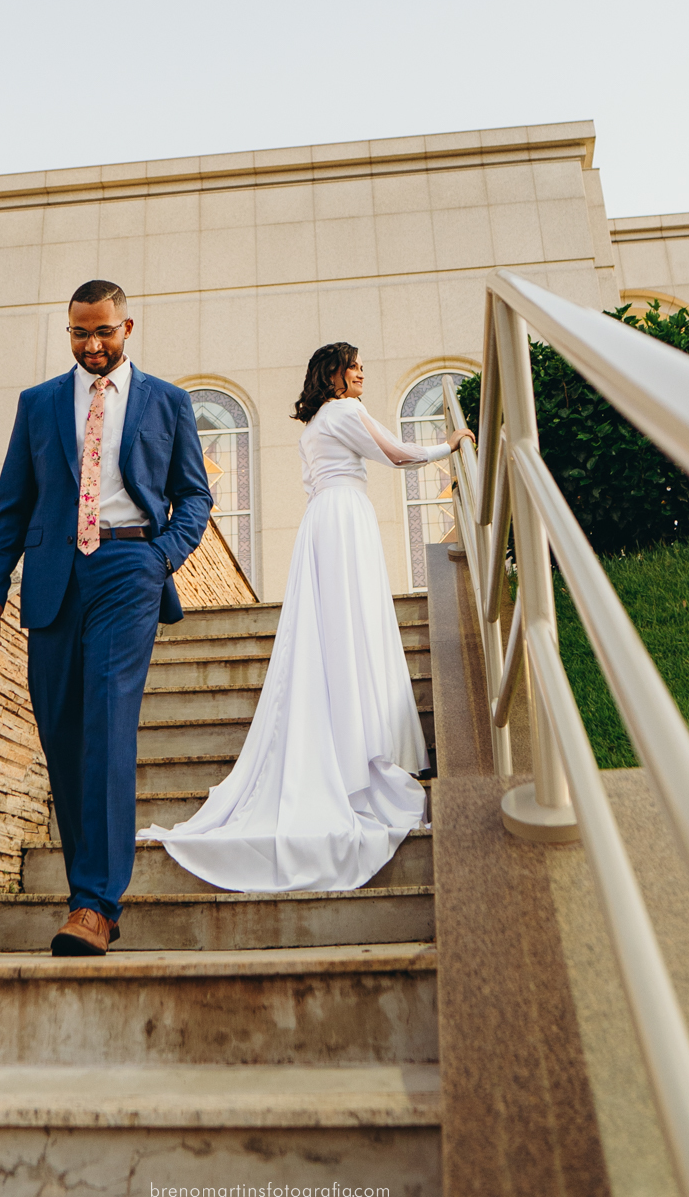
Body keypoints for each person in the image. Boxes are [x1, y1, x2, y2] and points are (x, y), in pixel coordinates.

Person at [139, 341, 472, 893]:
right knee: (353, 626)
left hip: (323, 518)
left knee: (332, 631)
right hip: (344, 518)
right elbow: (396, 454)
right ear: (335, 375)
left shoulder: (313, 425)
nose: (363, 374)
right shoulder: (344, 411)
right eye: (356, 367)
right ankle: (360, 761)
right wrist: (451, 444)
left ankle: (349, 744)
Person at [0, 279, 212, 956]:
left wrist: (160, 557)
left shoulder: (167, 401)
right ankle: (89, 890)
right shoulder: (40, 403)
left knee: (107, 726)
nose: (92, 344)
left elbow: (194, 497)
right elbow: (11, 503)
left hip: (127, 569)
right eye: (80, 333)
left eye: (103, 331)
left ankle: (94, 904)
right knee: (63, 736)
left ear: (127, 327)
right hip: (53, 578)